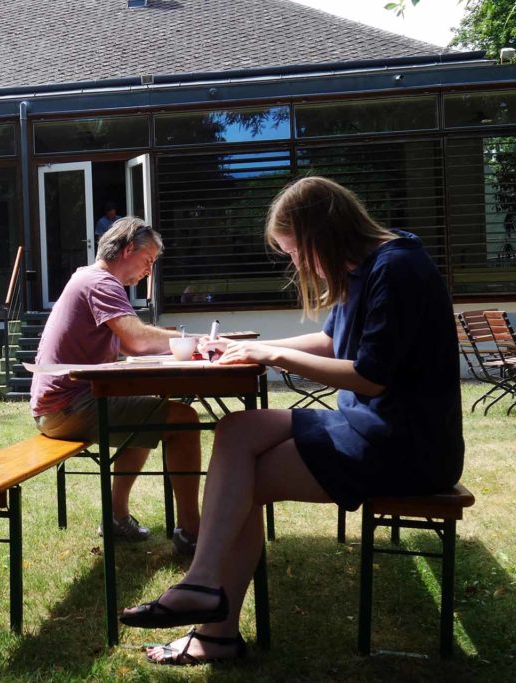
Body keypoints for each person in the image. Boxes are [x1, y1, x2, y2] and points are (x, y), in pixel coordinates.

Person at [119, 176, 465, 665]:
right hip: (370, 426)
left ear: (322, 233)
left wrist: (273, 355)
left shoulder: (398, 270)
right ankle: (202, 588)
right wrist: (249, 350)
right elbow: (331, 343)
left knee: (244, 480)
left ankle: (213, 626)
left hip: (408, 448)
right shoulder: (366, 266)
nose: (296, 263)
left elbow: (369, 377)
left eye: (295, 250)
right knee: (235, 431)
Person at [31, 217, 203, 553]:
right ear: (127, 250)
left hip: (61, 404)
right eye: (148, 261)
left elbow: (125, 342)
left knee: (148, 410)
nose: (148, 271)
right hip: (67, 408)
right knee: (183, 420)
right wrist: (190, 340)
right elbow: (137, 341)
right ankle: (191, 531)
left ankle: (115, 515)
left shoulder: (89, 278)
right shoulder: (102, 282)